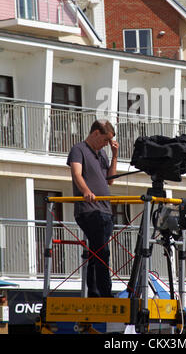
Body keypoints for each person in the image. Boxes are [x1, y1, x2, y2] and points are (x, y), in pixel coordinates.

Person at [67, 119, 119, 298]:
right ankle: (104, 293)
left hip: (105, 210)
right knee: (101, 251)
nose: (106, 144)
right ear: (96, 133)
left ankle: (95, 292)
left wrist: (114, 155)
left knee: (96, 251)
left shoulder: (103, 154)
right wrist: (86, 191)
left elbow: (110, 180)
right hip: (89, 210)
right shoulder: (78, 149)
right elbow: (76, 173)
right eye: (105, 140)